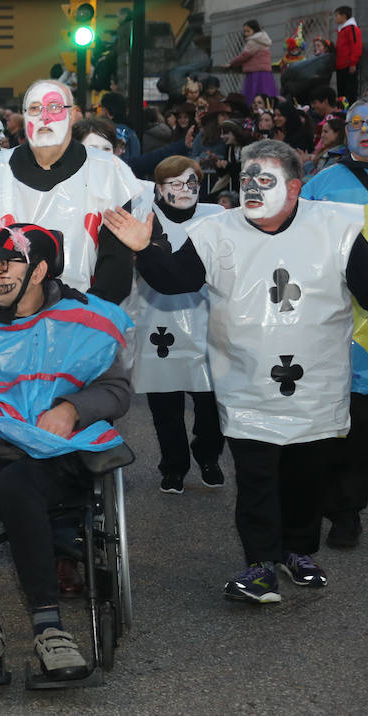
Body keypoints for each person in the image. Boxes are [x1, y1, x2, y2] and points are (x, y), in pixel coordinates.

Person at [103, 139, 368, 603]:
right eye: (245, 180)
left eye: (265, 180)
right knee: (256, 476)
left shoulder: (335, 228)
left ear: (295, 188)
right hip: (246, 381)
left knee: (304, 475)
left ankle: (297, 551)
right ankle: (259, 564)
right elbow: (178, 280)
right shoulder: (218, 231)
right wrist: (148, 247)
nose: (251, 189)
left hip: (316, 383)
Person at [0, 223, 131, 681]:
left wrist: (73, 408)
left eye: (5, 263)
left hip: (53, 451)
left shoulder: (84, 320)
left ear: (39, 270)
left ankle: (50, 629)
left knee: (16, 483)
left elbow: (115, 390)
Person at [0, 79, 148, 305]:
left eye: (54, 107)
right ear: (24, 116)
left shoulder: (109, 174)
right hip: (2, 324)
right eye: (35, 108)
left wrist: (86, 316)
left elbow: (115, 266)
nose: (44, 117)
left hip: (82, 321)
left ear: (73, 115)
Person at [302, 94, 368, 546]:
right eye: (355, 122)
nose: (365, 128)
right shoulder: (323, 184)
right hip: (345, 331)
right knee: (350, 433)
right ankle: (344, 513)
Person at [127, 156, 225, 494]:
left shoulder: (217, 218)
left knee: (211, 403)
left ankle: (208, 455)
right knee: (165, 404)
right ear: (159, 188)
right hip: (157, 324)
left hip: (207, 321)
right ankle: (173, 466)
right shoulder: (142, 221)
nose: (185, 191)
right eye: (176, 184)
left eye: (191, 183)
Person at [227, 20, 279, 104]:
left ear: (254, 30)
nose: (246, 33)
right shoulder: (263, 39)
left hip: (255, 73)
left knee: (253, 95)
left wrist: (231, 63)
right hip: (265, 73)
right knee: (266, 94)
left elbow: (244, 56)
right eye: (245, 31)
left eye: (248, 31)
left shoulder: (253, 41)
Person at [334, 6, 362, 103]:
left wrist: (353, 63)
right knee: (341, 93)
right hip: (341, 66)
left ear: (344, 16)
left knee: (350, 93)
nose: (335, 18)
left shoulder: (352, 29)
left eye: (337, 15)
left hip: (349, 66)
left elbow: (356, 46)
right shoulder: (342, 30)